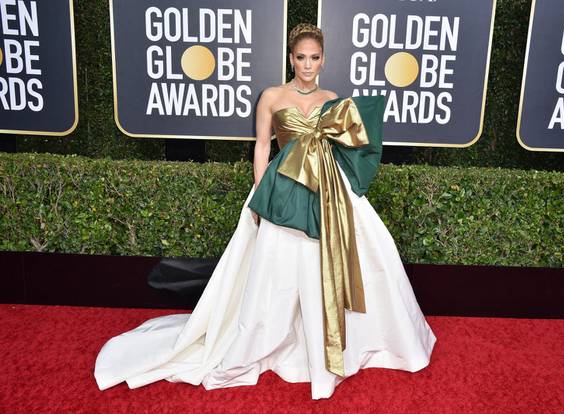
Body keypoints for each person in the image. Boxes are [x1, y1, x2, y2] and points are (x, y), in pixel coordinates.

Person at [94, 23, 436, 400]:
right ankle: (275, 341)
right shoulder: (272, 96)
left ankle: (340, 343)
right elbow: (261, 147)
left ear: (324, 59)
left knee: (355, 258)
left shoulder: (333, 97)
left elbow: (348, 146)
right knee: (278, 275)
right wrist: (260, 195)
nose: (308, 65)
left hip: (331, 192)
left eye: (315, 58)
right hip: (284, 191)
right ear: (291, 58)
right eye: (301, 58)